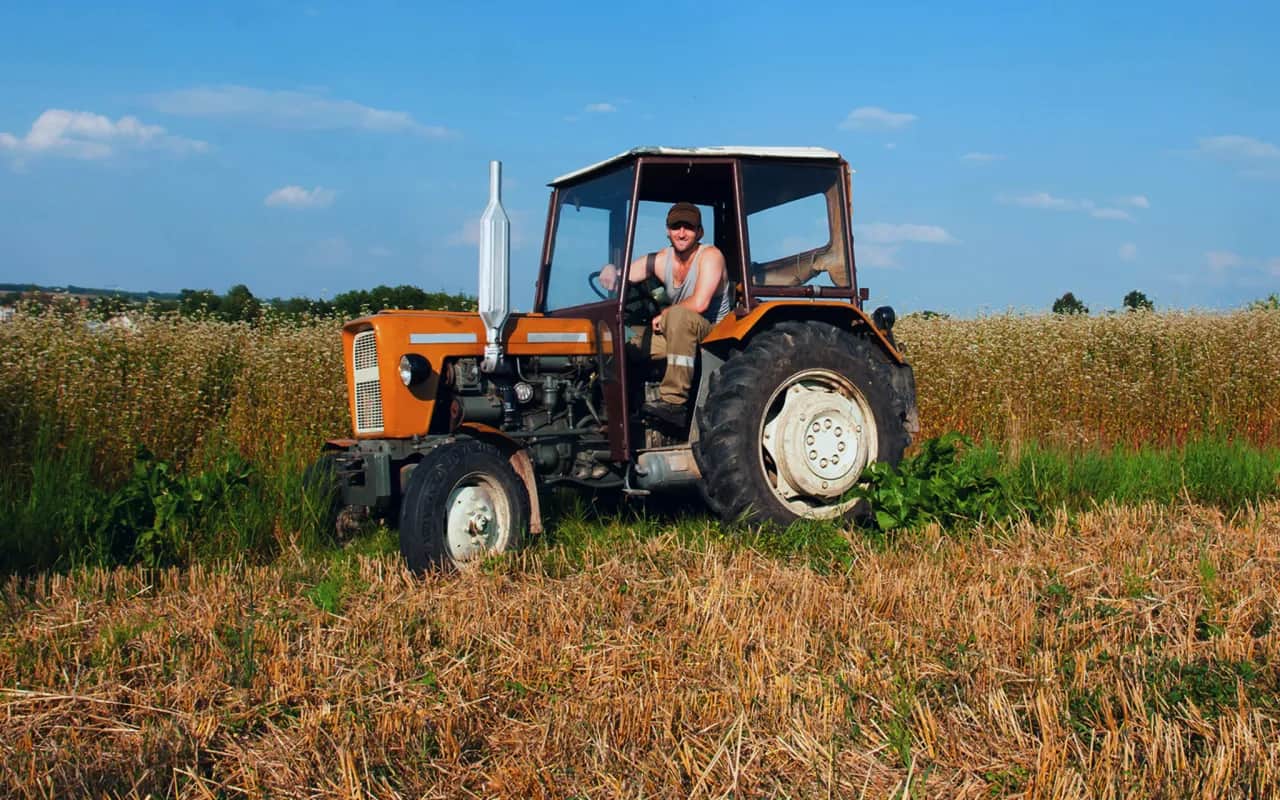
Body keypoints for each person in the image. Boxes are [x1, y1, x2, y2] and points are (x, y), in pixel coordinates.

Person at [599, 202, 733, 426]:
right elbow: (624, 275)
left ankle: (673, 402)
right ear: (667, 231)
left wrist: (667, 314)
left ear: (700, 232)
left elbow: (700, 303)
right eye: (676, 227)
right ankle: (620, 408)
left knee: (677, 316)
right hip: (679, 332)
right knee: (623, 336)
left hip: (714, 334)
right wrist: (612, 270)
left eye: (688, 227)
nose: (681, 233)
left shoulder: (710, 256)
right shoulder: (661, 260)